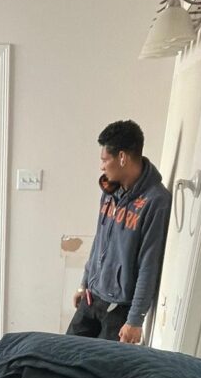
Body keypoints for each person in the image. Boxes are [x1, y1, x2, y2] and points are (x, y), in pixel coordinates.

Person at [68, 119, 171, 344]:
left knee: (98, 365)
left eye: (105, 159)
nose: (101, 166)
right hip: (91, 297)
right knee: (63, 353)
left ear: (122, 157)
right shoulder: (109, 191)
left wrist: (135, 320)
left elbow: (149, 263)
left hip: (118, 311)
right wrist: (84, 283)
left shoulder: (156, 201)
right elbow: (99, 241)